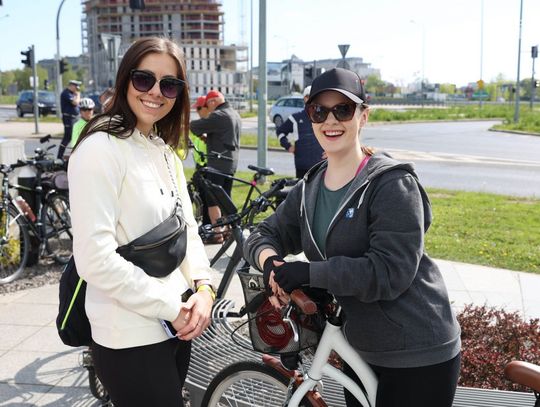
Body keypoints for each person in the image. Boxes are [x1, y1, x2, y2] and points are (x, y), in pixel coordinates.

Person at [244, 68, 461, 407]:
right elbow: (264, 233)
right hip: (361, 346)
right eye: (319, 111)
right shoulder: (310, 187)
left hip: (416, 349)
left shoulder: (391, 184)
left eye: (343, 109)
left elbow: (390, 272)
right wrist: (270, 263)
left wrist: (311, 272)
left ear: (363, 116)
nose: (330, 120)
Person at [68, 37, 215, 407]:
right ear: (125, 80)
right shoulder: (100, 149)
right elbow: (94, 259)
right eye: (144, 79)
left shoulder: (163, 151)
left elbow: (187, 229)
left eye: (169, 84)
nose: (155, 92)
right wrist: (173, 308)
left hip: (176, 326)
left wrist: (204, 288)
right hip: (129, 336)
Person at [190, 89, 241, 244]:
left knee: (213, 199)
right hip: (231, 163)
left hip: (217, 163)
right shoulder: (234, 114)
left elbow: (194, 126)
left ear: (213, 102)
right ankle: (228, 231)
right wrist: (209, 139)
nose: (207, 108)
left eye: (207, 105)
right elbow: (225, 137)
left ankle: (217, 233)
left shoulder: (219, 115)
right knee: (225, 198)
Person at [276, 85, 324, 179]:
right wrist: (288, 146)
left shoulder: (324, 117)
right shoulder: (295, 118)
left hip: (321, 165)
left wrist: (330, 151)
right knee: (302, 188)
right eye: (309, 96)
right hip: (302, 165)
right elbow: (280, 132)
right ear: (305, 98)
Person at [58, 79, 81, 159]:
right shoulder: (66, 93)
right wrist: (78, 95)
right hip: (69, 118)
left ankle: (60, 156)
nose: (77, 89)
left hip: (74, 118)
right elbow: (75, 102)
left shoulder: (72, 93)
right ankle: (74, 156)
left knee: (67, 138)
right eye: (76, 87)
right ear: (71, 86)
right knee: (73, 137)